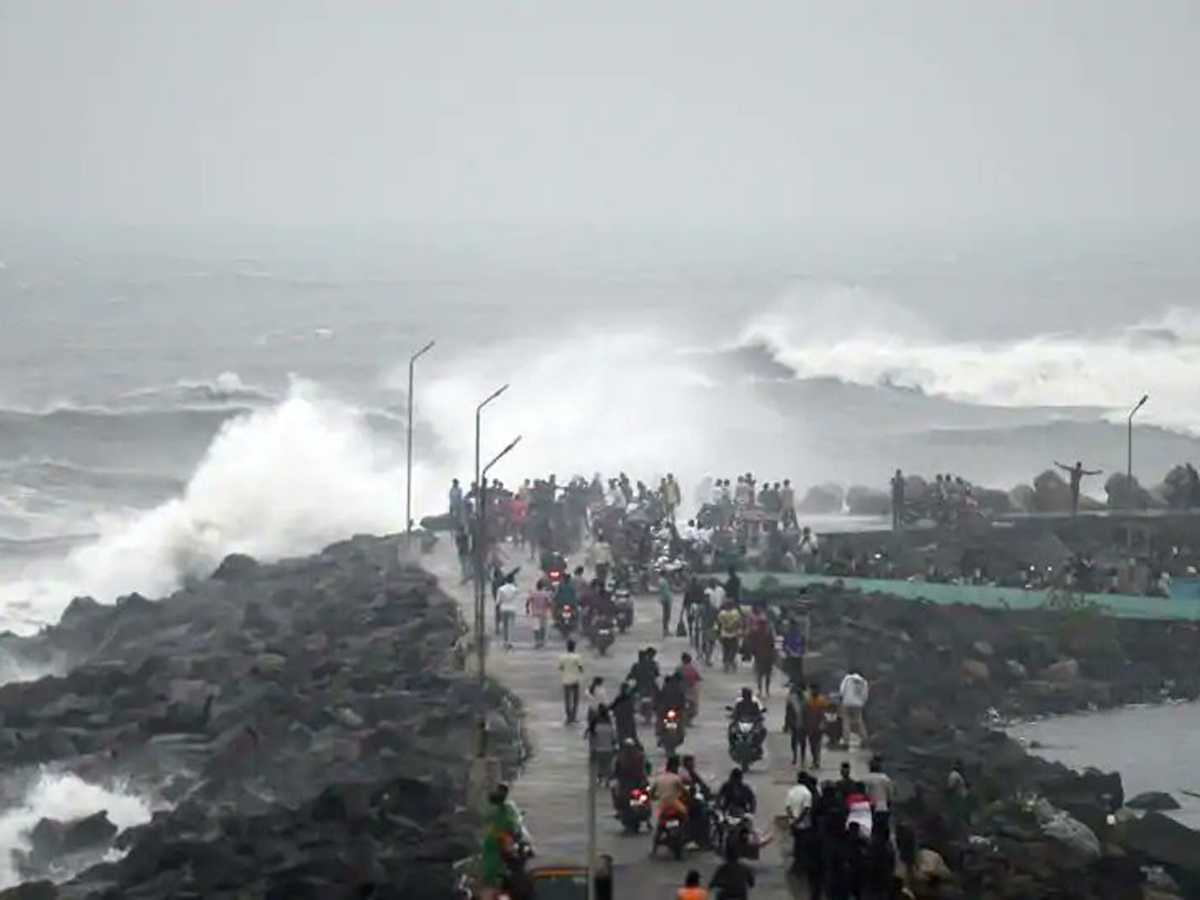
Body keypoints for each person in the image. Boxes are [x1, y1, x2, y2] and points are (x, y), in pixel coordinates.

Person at [650, 756, 689, 836]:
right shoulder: (676, 778)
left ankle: (656, 842)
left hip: (662, 806)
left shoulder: (658, 777)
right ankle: (684, 835)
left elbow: (651, 794)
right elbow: (685, 792)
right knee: (685, 816)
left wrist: (657, 797)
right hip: (675, 804)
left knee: (660, 823)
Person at [860, 755, 895, 835]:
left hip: (868, 810)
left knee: (870, 832)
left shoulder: (864, 779)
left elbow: (861, 796)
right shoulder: (886, 779)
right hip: (883, 810)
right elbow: (890, 798)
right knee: (883, 832)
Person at [838, 669, 870, 748]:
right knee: (859, 721)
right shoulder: (864, 682)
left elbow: (842, 691)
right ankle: (865, 740)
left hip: (847, 702)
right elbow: (865, 695)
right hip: (858, 704)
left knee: (846, 722)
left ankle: (846, 741)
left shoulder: (847, 679)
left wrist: (843, 698)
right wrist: (862, 702)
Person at [800, 682, 828, 770]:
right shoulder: (807, 701)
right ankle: (815, 759)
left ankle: (816, 760)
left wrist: (823, 723)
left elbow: (824, 714)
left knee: (817, 744)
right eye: (812, 689)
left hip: (818, 727)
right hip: (809, 726)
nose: (813, 691)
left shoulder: (821, 701)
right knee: (813, 744)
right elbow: (803, 714)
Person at [558, 639, 584, 725]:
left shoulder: (562, 657)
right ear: (574, 647)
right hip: (575, 680)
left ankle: (568, 717)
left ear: (567, 647)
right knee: (575, 700)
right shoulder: (577, 657)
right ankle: (574, 717)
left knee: (567, 699)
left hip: (566, 680)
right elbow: (581, 669)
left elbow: (560, 668)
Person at [717, 603, 743, 673]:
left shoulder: (722, 613)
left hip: (724, 634)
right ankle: (731, 662)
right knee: (733, 650)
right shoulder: (735, 613)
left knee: (725, 650)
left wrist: (718, 634)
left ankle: (726, 665)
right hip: (733, 635)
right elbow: (738, 623)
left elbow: (719, 623)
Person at [526, 578, 552, 649]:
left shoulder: (533, 593)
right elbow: (549, 603)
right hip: (543, 613)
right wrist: (548, 607)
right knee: (543, 628)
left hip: (535, 613)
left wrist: (527, 609)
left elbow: (528, 601)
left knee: (536, 628)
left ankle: (537, 641)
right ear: (543, 586)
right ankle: (542, 641)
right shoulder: (545, 594)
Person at [496, 574, 520, 649]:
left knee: (505, 626)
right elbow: (516, 597)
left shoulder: (501, 589)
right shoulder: (515, 589)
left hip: (503, 608)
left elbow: (498, 601)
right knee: (511, 626)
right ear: (513, 580)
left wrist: (497, 607)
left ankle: (505, 641)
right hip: (512, 608)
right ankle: (510, 642)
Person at [679, 652, 702, 718]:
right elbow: (698, 678)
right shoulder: (693, 669)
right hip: (691, 691)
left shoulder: (679, 668)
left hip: (682, 691)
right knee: (693, 706)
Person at [658, 572, 675, 638]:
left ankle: (666, 630)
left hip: (665, 599)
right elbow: (665, 591)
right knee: (666, 615)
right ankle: (665, 630)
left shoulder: (662, 581)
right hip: (666, 599)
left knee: (666, 615)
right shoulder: (663, 581)